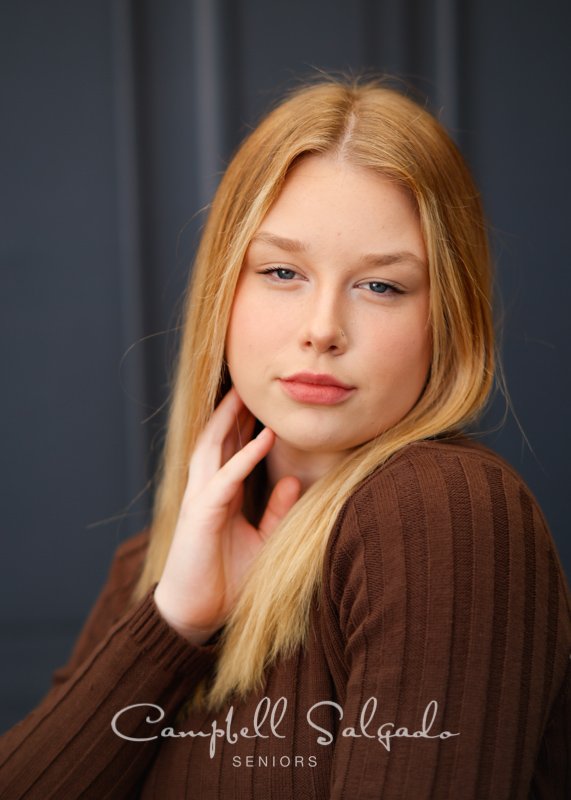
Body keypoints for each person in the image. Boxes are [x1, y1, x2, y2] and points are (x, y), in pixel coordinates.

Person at [0, 77, 569, 799]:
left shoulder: (442, 512)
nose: (323, 328)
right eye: (280, 272)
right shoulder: (156, 567)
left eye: (381, 286)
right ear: (223, 293)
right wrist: (173, 623)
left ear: (447, 317)